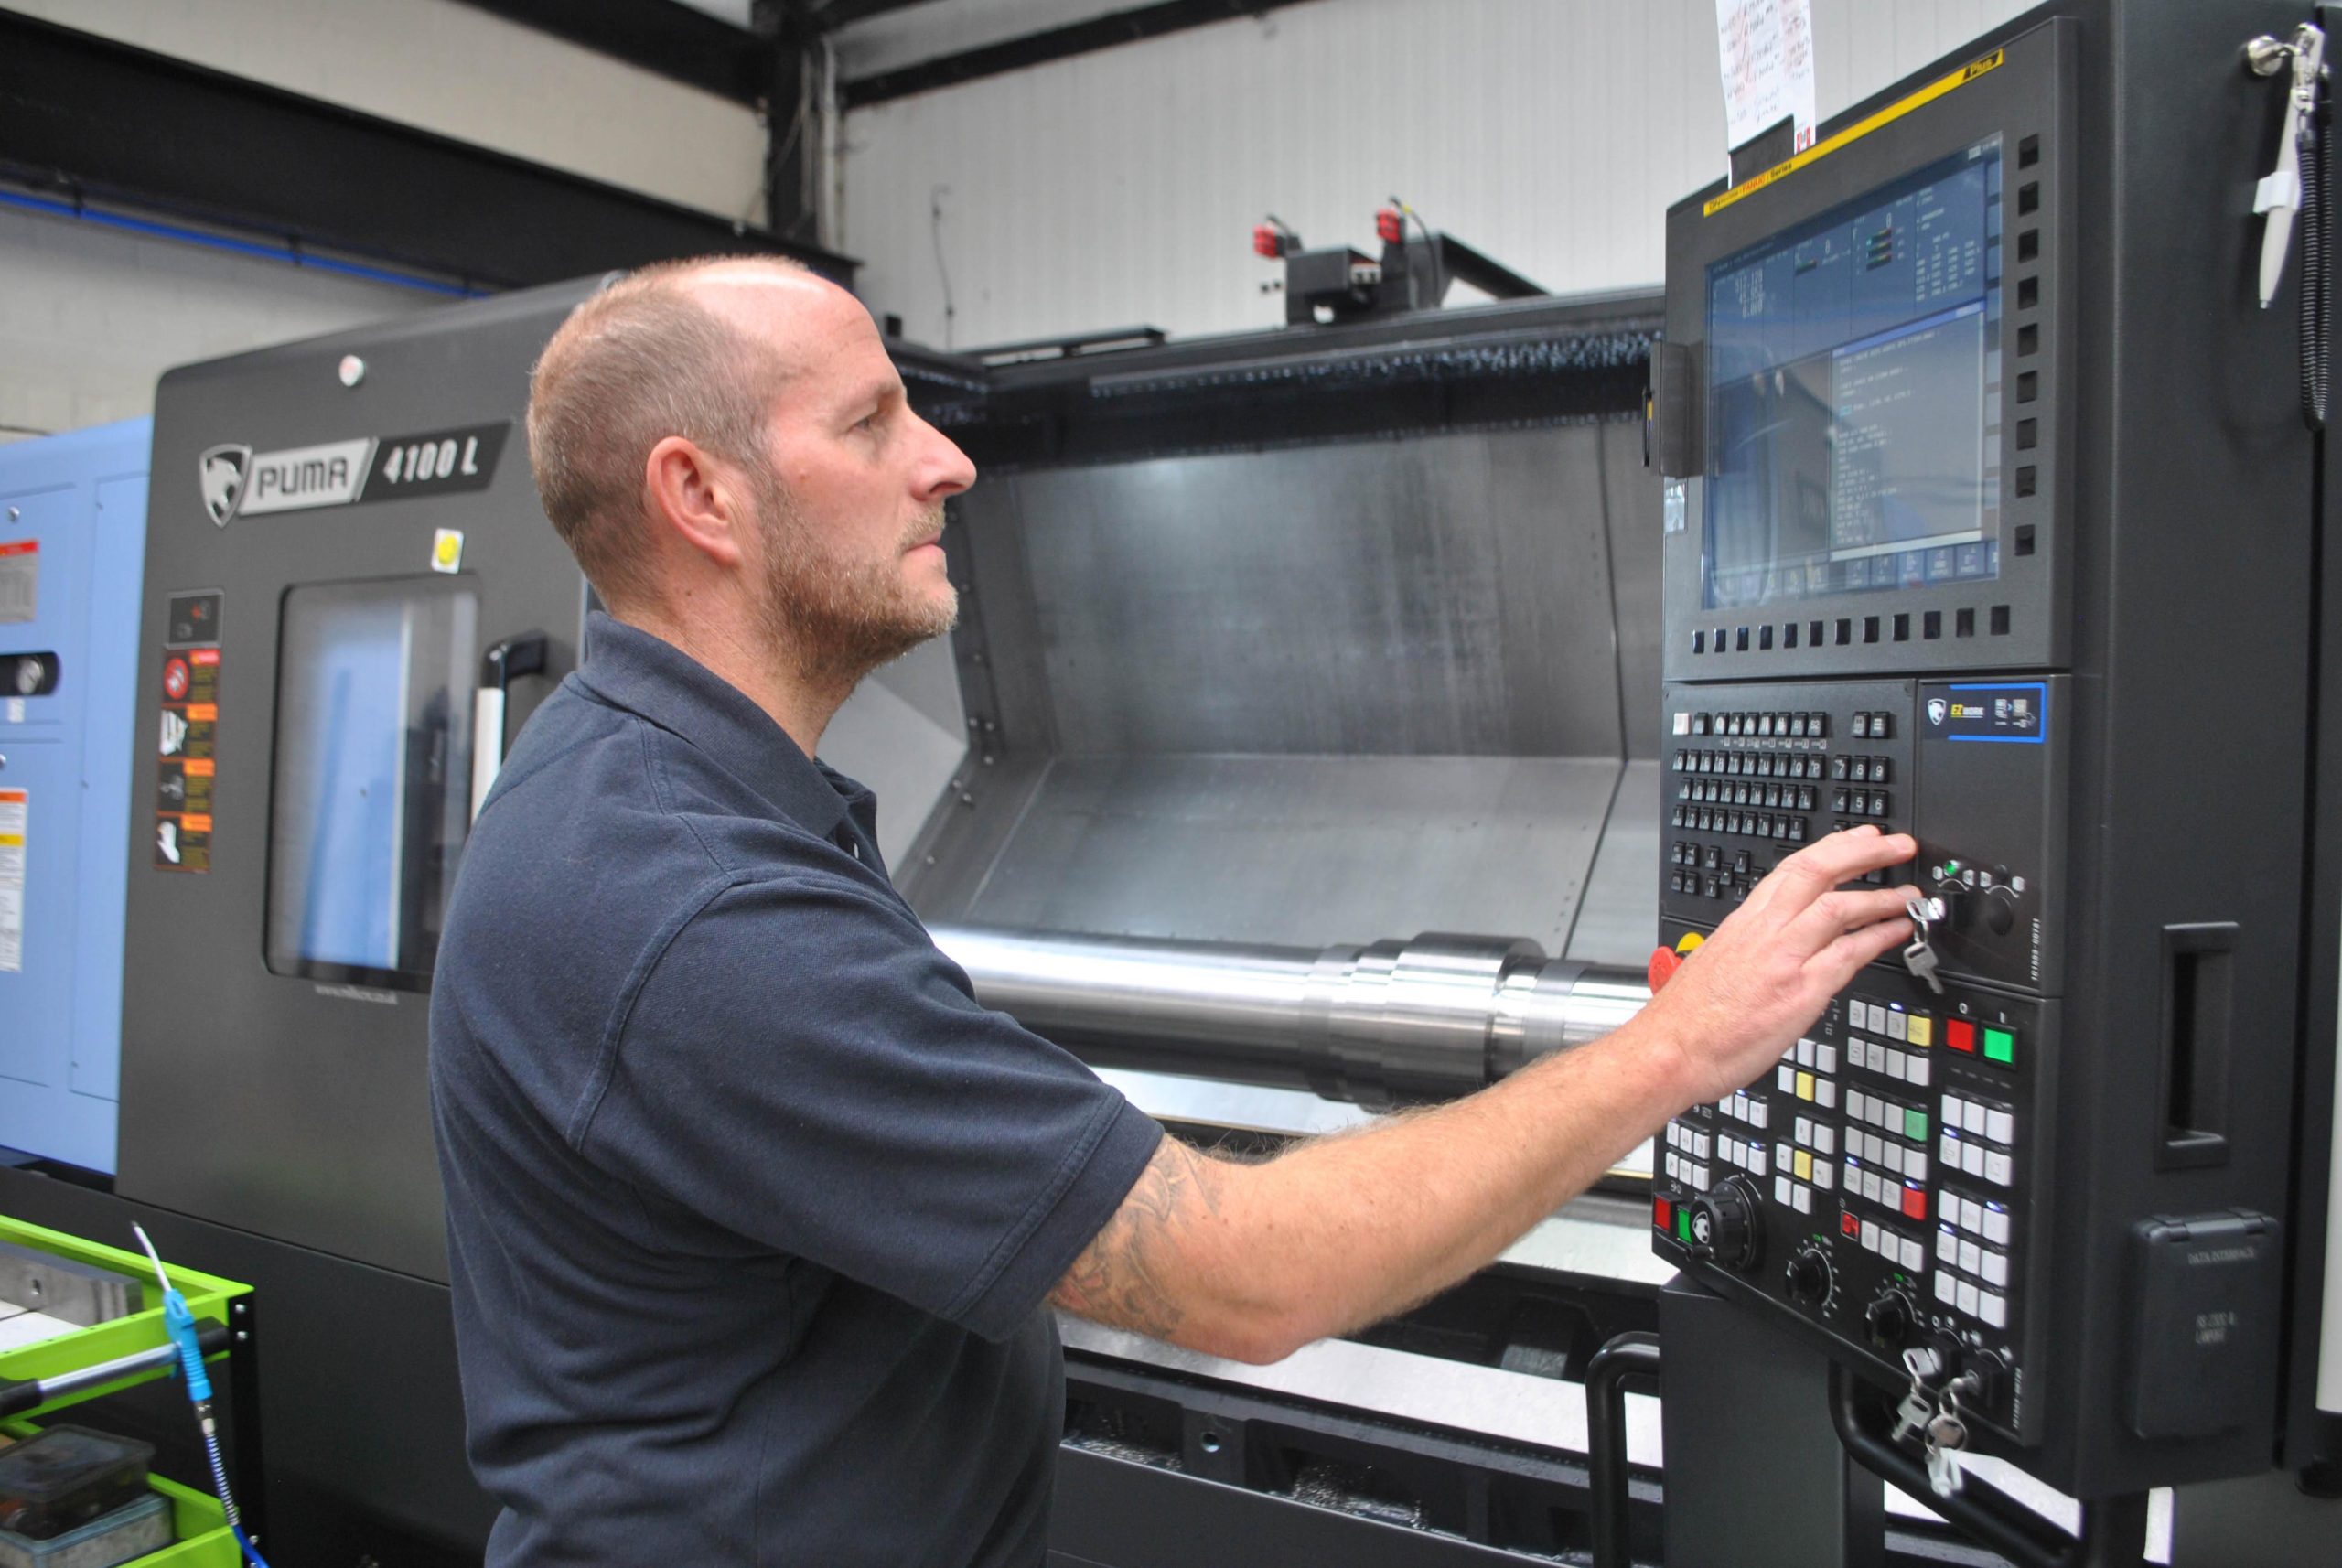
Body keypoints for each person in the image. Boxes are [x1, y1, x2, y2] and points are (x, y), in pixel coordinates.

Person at [428, 255, 1918, 1567]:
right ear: (701, 496)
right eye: (871, 423)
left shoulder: (641, 787)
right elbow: (1241, 1273)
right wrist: (1674, 1047)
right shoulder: (691, 908)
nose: (946, 461)